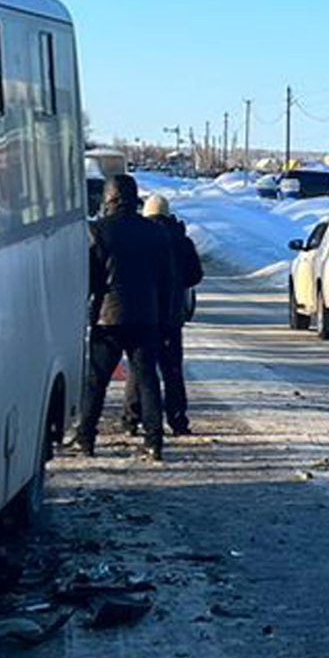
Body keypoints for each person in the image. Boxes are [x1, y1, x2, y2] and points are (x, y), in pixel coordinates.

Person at [76, 174, 175, 460]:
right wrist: (166, 316)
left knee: (96, 381)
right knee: (147, 380)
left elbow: (91, 277)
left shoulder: (98, 231)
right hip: (147, 316)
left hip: (108, 318)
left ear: (109, 198)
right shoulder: (156, 232)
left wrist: (88, 309)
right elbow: (167, 280)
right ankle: (154, 441)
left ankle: (86, 437)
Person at [123, 193, 205, 437]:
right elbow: (195, 275)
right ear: (168, 214)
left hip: (143, 313)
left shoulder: (139, 238)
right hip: (171, 315)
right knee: (172, 370)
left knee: (140, 369)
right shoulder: (182, 240)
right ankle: (177, 419)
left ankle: (131, 417)